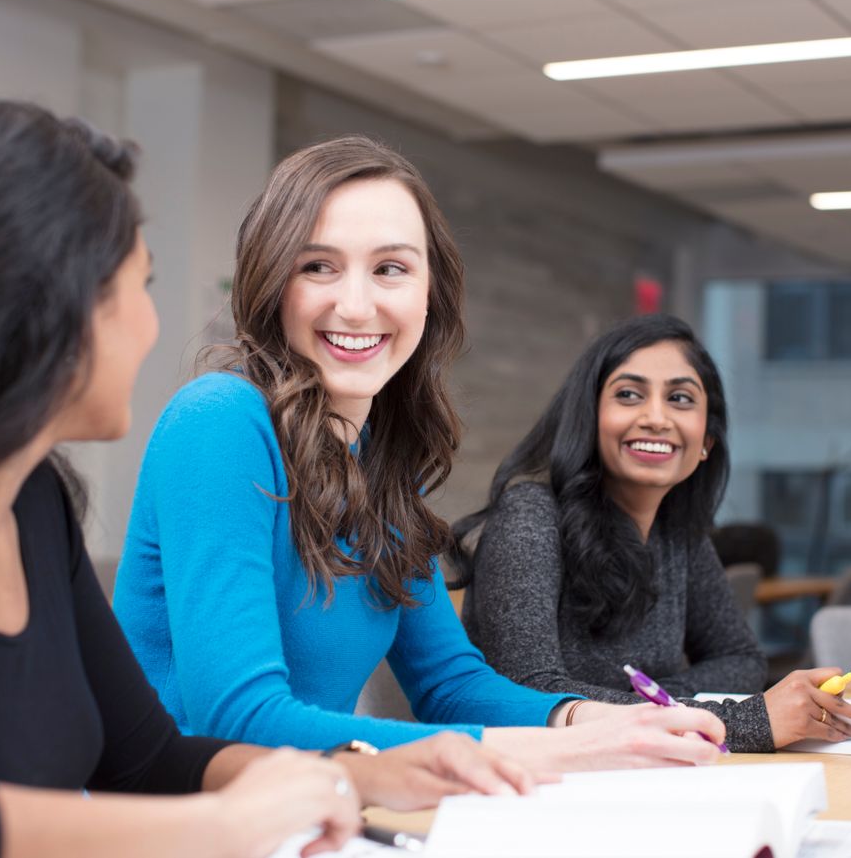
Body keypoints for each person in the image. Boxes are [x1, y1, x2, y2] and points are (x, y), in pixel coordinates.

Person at [0, 101, 534, 858]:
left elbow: (146, 756)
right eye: (139, 285)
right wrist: (213, 826)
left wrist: (351, 775)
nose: (151, 325)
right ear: (49, 310)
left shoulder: (33, 503)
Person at [114, 136, 725, 773]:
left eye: (390, 269)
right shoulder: (219, 421)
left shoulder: (378, 463)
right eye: (317, 265)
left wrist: (595, 718)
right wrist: (563, 748)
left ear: (429, 294)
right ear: (273, 283)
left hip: (303, 814)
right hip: (169, 823)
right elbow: (240, 720)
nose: (356, 305)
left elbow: (451, 684)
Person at [452, 314, 851, 752]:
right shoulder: (529, 518)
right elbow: (533, 695)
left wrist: (658, 701)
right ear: (589, 421)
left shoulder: (678, 533)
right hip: (536, 780)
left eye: (681, 399)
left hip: (633, 770)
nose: (656, 417)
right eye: (629, 395)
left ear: (706, 440)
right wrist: (723, 719)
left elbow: (741, 660)